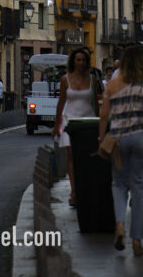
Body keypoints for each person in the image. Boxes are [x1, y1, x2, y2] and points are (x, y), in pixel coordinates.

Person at [99, 43, 143, 257]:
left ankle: (120, 225)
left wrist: (101, 139)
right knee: (137, 187)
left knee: (118, 184)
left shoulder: (112, 85)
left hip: (119, 139)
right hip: (140, 137)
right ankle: (137, 241)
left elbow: (104, 115)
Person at [52, 47, 101, 207]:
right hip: (70, 121)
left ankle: (85, 189)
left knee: (87, 158)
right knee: (72, 156)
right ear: (73, 61)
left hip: (89, 120)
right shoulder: (65, 80)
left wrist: (101, 122)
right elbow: (61, 102)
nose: (80, 63)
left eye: (83, 60)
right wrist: (56, 124)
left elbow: (96, 102)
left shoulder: (92, 79)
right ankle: (74, 192)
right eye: (78, 59)